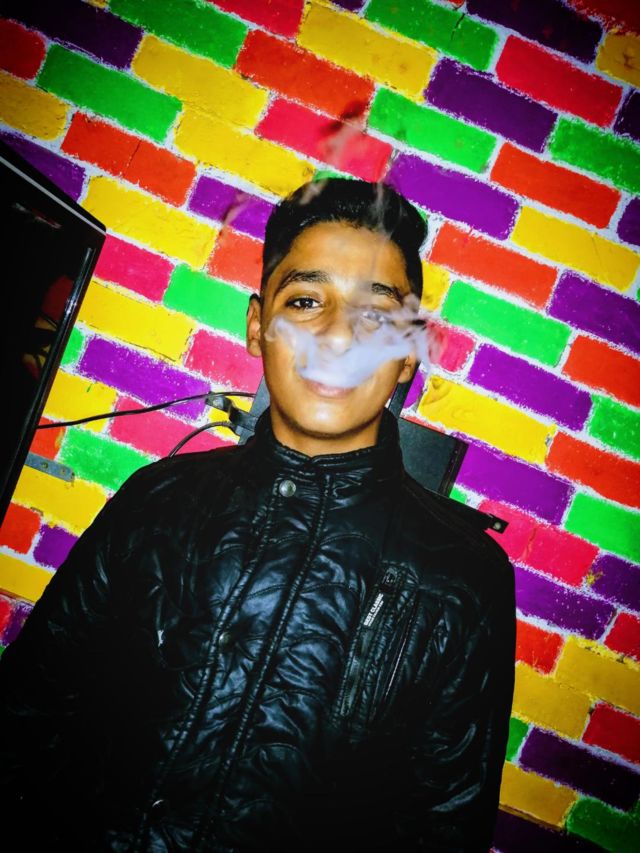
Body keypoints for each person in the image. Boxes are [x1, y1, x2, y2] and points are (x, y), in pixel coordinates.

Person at [0, 178, 515, 851]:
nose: (337, 337)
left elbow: (440, 830)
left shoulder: (466, 581)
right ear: (256, 326)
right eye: (305, 301)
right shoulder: (157, 502)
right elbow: (28, 712)